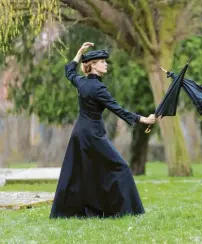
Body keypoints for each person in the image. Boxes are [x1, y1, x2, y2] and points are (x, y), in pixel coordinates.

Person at [50, 42, 156, 218]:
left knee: (84, 172)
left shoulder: (82, 83)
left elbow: (69, 72)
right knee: (120, 167)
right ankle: (127, 211)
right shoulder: (98, 88)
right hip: (92, 134)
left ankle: (90, 210)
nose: (105, 64)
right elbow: (118, 109)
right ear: (92, 65)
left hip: (79, 133)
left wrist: (78, 53)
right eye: (101, 61)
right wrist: (143, 119)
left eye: (105, 61)